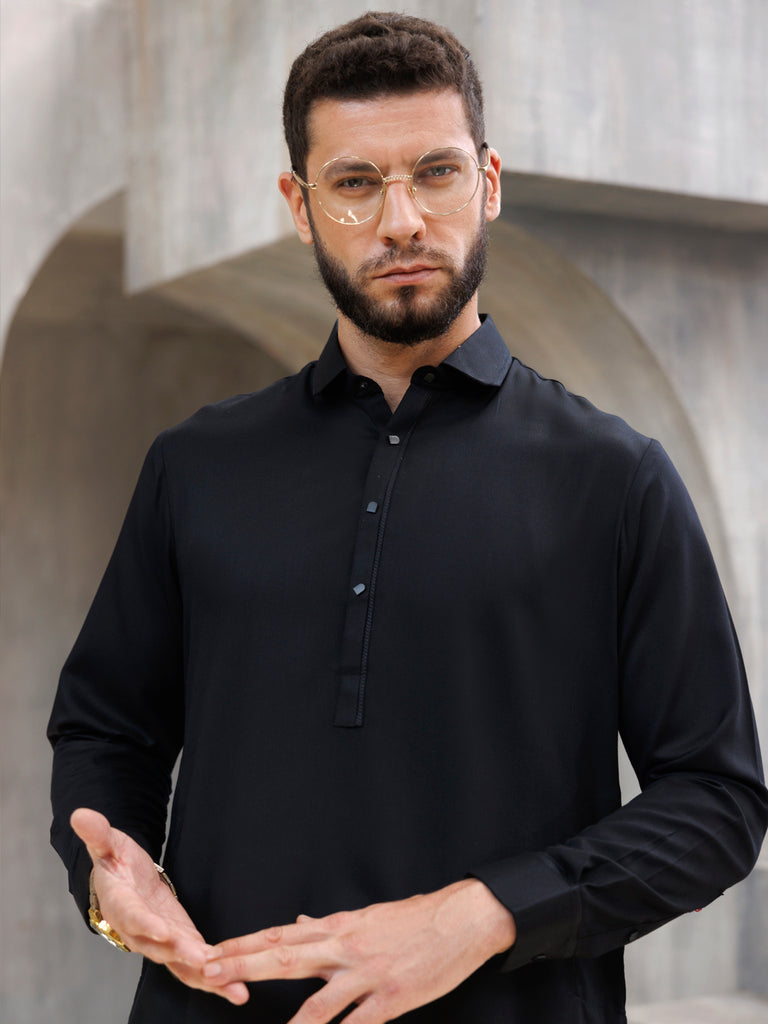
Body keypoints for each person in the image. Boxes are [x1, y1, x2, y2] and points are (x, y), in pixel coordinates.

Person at [48, 11, 768, 1024]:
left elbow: (718, 801)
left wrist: (482, 914)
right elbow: (105, 726)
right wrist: (111, 878)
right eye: (355, 183)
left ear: (490, 182)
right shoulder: (195, 466)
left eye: (436, 173)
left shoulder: (615, 477)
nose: (402, 221)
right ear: (299, 206)